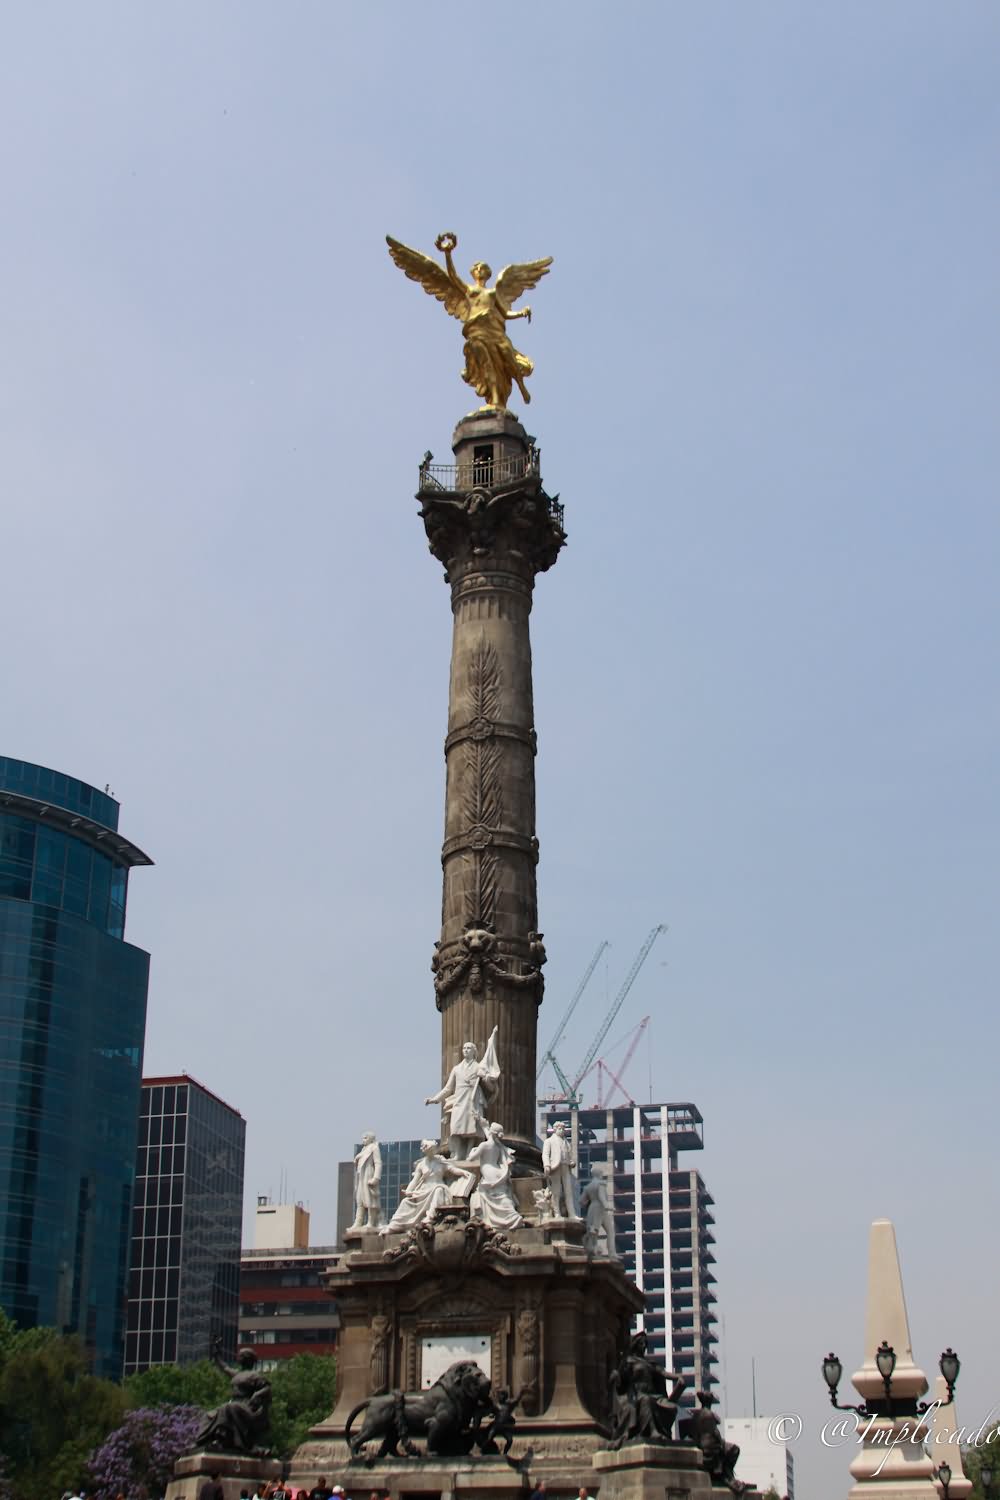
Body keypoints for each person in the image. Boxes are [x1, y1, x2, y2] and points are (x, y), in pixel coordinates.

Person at [424, 1029, 500, 1159]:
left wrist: (486, 1078)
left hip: (473, 1099)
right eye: (464, 1048)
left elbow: (491, 1088)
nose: (465, 1050)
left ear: (474, 1051)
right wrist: (434, 1100)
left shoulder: (478, 1067)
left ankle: (469, 1151)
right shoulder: (456, 1069)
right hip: (459, 1100)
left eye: (469, 1048)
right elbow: (448, 1089)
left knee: (473, 1129)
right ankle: (458, 1153)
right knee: (456, 1128)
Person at [379, 1140, 474, 1232]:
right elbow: (415, 1180)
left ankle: (430, 1217)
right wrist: (408, 1190)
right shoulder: (421, 1164)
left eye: (432, 1149)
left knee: (438, 1191)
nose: (430, 1151)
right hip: (423, 1190)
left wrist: (463, 1172)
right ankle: (393, 1226)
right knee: (405, 1201)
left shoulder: (440, 1161)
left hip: (438, 1186)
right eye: (428, 1149)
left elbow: (452, 1169)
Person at [466, 1123, 522, 1230]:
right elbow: (489, 1134)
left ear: (491, 1132)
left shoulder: (484, 1145)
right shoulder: (498, 1145)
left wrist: (473, 1150)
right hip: (498, 1171)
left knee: (492, 1195)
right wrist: (483, 1126)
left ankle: (507, 1217)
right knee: (501, 1194)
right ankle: (511, 1214)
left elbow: (471, 1158)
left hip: (489, 1172)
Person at [542, 1122, 577, 1217]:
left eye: (563, 1129)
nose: (562, 1130)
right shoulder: (549, 1141)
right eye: (559, 1128)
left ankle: (572, 1214)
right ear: (554, 1129)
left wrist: (572, 1162)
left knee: (568, 1191)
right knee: (556, 1191)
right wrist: (547, 1165)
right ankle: (557, 1213)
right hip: (555, 1167)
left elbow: (570, 1156)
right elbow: (545, 1154)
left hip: (566, 1167)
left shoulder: (567, 1142)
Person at [350, 1132, 382, 1230]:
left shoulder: (374, 1148)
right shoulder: (363, 1150)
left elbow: (378, 1163)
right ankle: (358, 1222)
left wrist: (376, 1178)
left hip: (369, 1175)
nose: (363, 1140)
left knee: (370, 1199)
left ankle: (371, 1222)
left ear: (370, 1139)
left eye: (365, 1138)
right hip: (361, 1177)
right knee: (360, 1199)